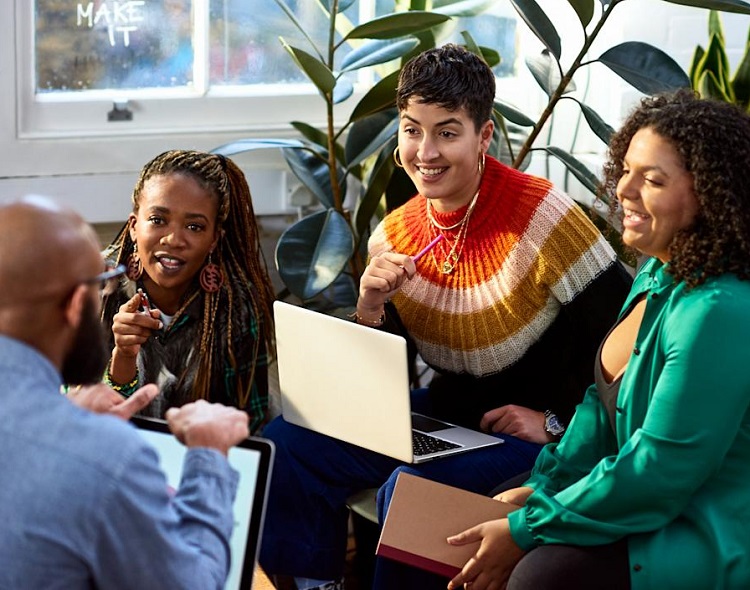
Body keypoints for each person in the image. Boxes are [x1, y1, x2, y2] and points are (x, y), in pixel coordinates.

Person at [259, 44, 632, 589]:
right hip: (449, 420)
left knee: (412, 494)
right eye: (412, 130)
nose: (426, 152)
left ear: (484, 136)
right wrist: (370, 308)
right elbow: (384, 377)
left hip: (539, 435)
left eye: (447, 132)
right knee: (289, 441)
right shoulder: (393, 233)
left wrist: (557, 423)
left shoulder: (545, 217)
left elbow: (630, 342)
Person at [422, 88, 750, 590]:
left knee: (539, 574)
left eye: (653, 180)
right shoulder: (655, 271)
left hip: (701, 525)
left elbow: (659, 471)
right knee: (484, 513)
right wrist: (543, 486)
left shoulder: (718, 311)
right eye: (627, 170)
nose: (625, 190)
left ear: (711, 195)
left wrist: (531, 525)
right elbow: (598, 410)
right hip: (639, 494)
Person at [0, 196, 252, 589]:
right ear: (75, 303)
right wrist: (209, 456)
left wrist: (65, 414)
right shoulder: (109, 459)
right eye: (100, 283)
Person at [101, 149, 275, 433]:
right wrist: (123, 356)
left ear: (214, 240)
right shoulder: (97, 287)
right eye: (158, 220)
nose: (173, 239)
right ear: (134, 226)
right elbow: (75, 413)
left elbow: (248, 423)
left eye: (194, 226)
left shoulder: (237, 308)